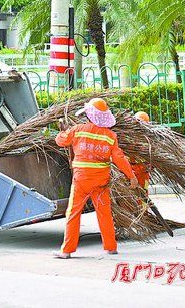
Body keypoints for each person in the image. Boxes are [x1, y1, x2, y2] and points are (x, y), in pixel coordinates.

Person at [53, 98, 138, 259]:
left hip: (81, 181)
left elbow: (60, 141)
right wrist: (131, 177)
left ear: (89, 116)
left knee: (73, 213)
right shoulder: (110, 136)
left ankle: (67, 250)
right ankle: (111, 247)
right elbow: (119, 158)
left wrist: (64, 130)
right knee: (104, 213)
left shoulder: (77, 130)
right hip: (101, 181)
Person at [130, 112, 151, 201]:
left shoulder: (147, 138)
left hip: (142, 172)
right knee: (132, 196)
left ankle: (143, 212)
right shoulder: (129, 136)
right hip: (132, 171)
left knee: (143, 195)